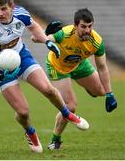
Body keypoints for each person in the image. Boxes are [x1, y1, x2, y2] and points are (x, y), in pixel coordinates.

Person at [0, 0, 89, 153]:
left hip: (21, 57)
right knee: (23, 111)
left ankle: (67, 114)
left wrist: (47, 42)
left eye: (3, 9)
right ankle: (30, 132)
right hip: (0, 67)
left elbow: (34, 27)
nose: (0, 13)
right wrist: (0, 75)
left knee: (48, 90)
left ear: (12, 7)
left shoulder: (20, 14)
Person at [32, 8, 117, 150]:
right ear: (75, 25)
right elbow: (35, 39)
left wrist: (110, 94)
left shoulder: (96, 41)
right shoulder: (64, 33)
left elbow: (102, 67)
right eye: (83, 26)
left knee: (101, 90)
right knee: (70, 106)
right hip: (58, 67)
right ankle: (55, 139)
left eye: (90, 26)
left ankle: (91, 89)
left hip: (79, 64)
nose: (87, 30)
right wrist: (46, 35)